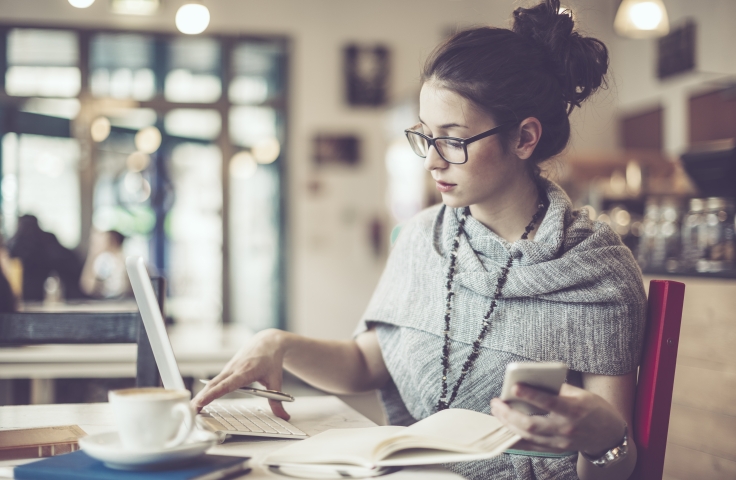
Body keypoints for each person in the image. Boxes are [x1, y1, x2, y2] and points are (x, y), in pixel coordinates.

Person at [193, 2, 646, 479]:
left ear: (524, 138)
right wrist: (278, 343)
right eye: (426, 136)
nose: (431, 161)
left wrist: (605, 443)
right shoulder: (421, 237)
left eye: (453, 139)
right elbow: (366, 364)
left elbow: (615, 464)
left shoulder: (598, 273)